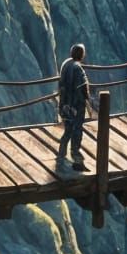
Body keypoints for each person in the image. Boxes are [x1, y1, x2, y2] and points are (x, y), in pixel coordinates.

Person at [56, 42, 92, 172]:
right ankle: (77, 160)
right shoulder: (78, 68)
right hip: (75, 107)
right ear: (81, 55)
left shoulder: (66, 64)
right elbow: (82, 88)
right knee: (77, 132)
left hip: (64, 105)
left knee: (67, 131)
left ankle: (61, 155)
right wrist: (88, 101)